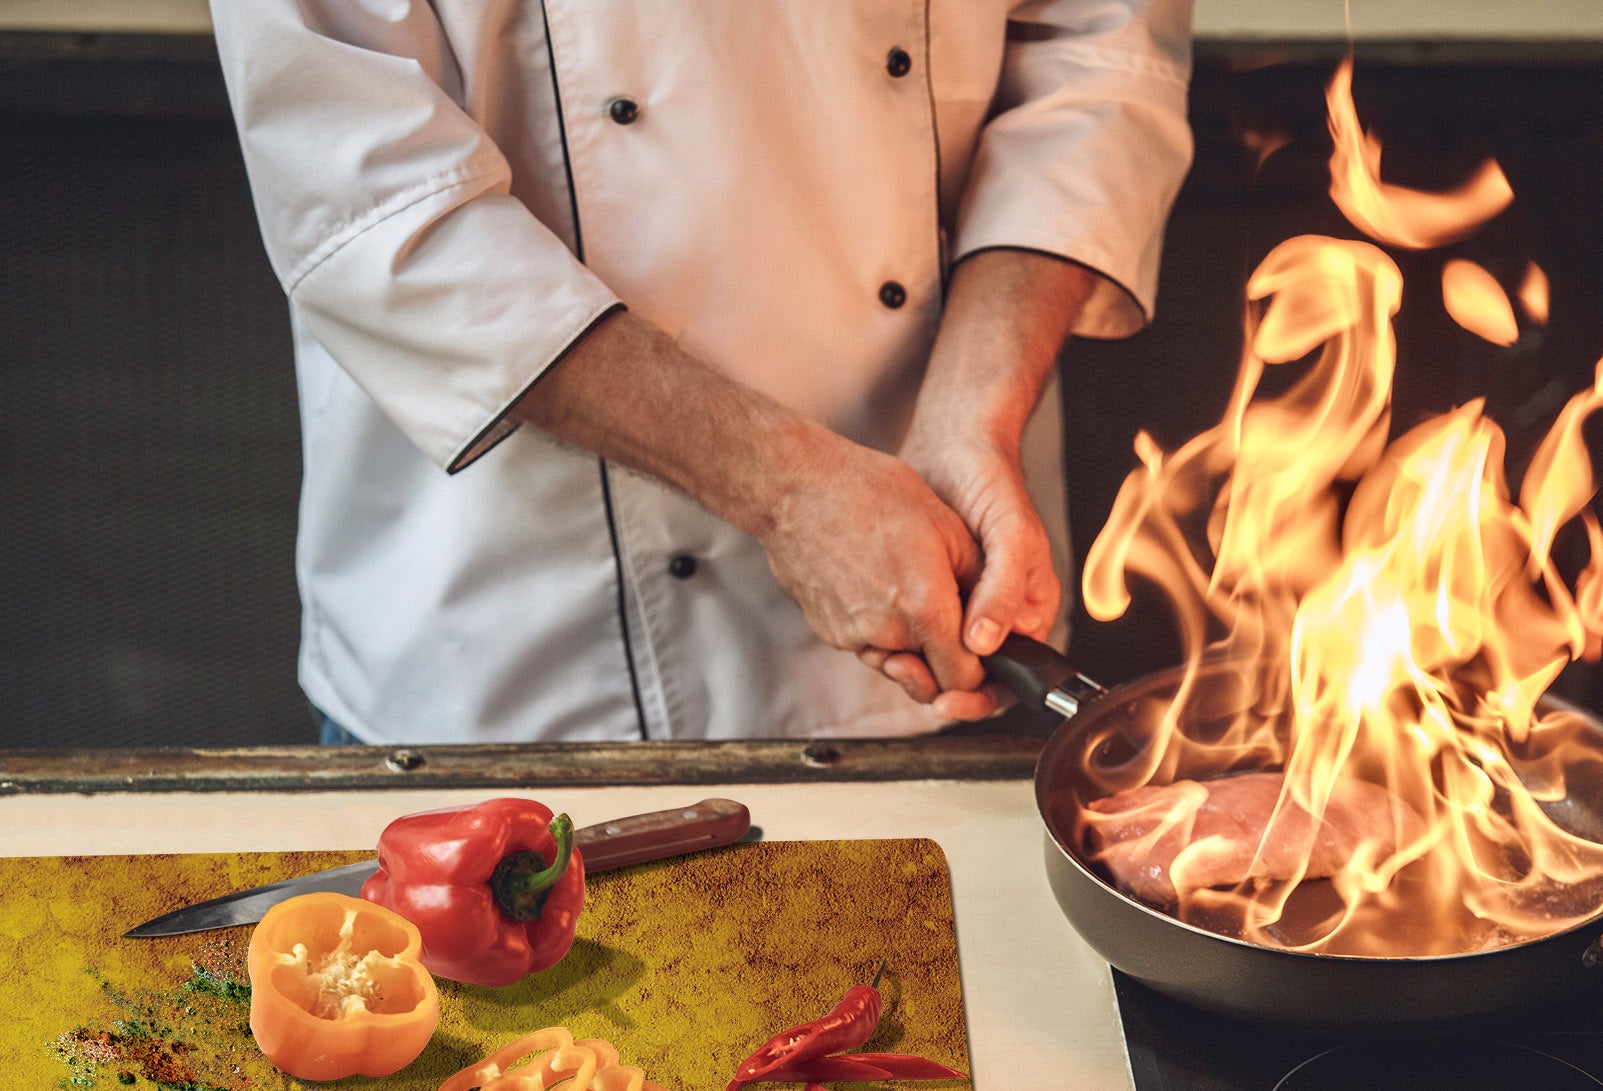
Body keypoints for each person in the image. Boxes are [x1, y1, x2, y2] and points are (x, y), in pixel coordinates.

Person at [210, 1, 1193, 742]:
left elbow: (1097, 59)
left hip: (950, 577)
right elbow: (372, 197)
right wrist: (783, 489)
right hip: (523, 647)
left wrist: (973, 416)